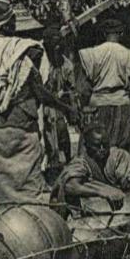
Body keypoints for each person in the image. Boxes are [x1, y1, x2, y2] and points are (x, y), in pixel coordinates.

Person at [0, 2, 78, 222]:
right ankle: (33, 234)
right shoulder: (25, 50)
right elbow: (40, 92)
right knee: (29, 189)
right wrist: (67, 108)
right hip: (22, 130)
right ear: (6, 24)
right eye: (13, 21)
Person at [54, 126, 130, 214]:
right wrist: (102, 191)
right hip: (92, 207)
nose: (102, 149)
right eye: (97, 146)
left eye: (105, 144)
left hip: (121, 203)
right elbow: (69, 186)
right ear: (87, 146)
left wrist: (128, 205)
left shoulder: (116, 156)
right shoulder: (81, 162)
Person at [78, 19, 130, 153]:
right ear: (122, 33)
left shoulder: (91, 54)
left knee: (95, 146)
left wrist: (83, 109)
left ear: (103, 34)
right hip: (123, 106)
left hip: (98, 107)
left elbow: (84, 89)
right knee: (124, 148)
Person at [38, 26, 77, 172]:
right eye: (54, 44)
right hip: (42, 105)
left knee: (62, 133)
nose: (57, 47)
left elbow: (71, 89)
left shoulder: (65, 64)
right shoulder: (41, 62)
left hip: (57, 106)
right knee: (46, 137)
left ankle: (67, 162)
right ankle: (49, 166)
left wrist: (73, 108)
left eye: (59, 44)